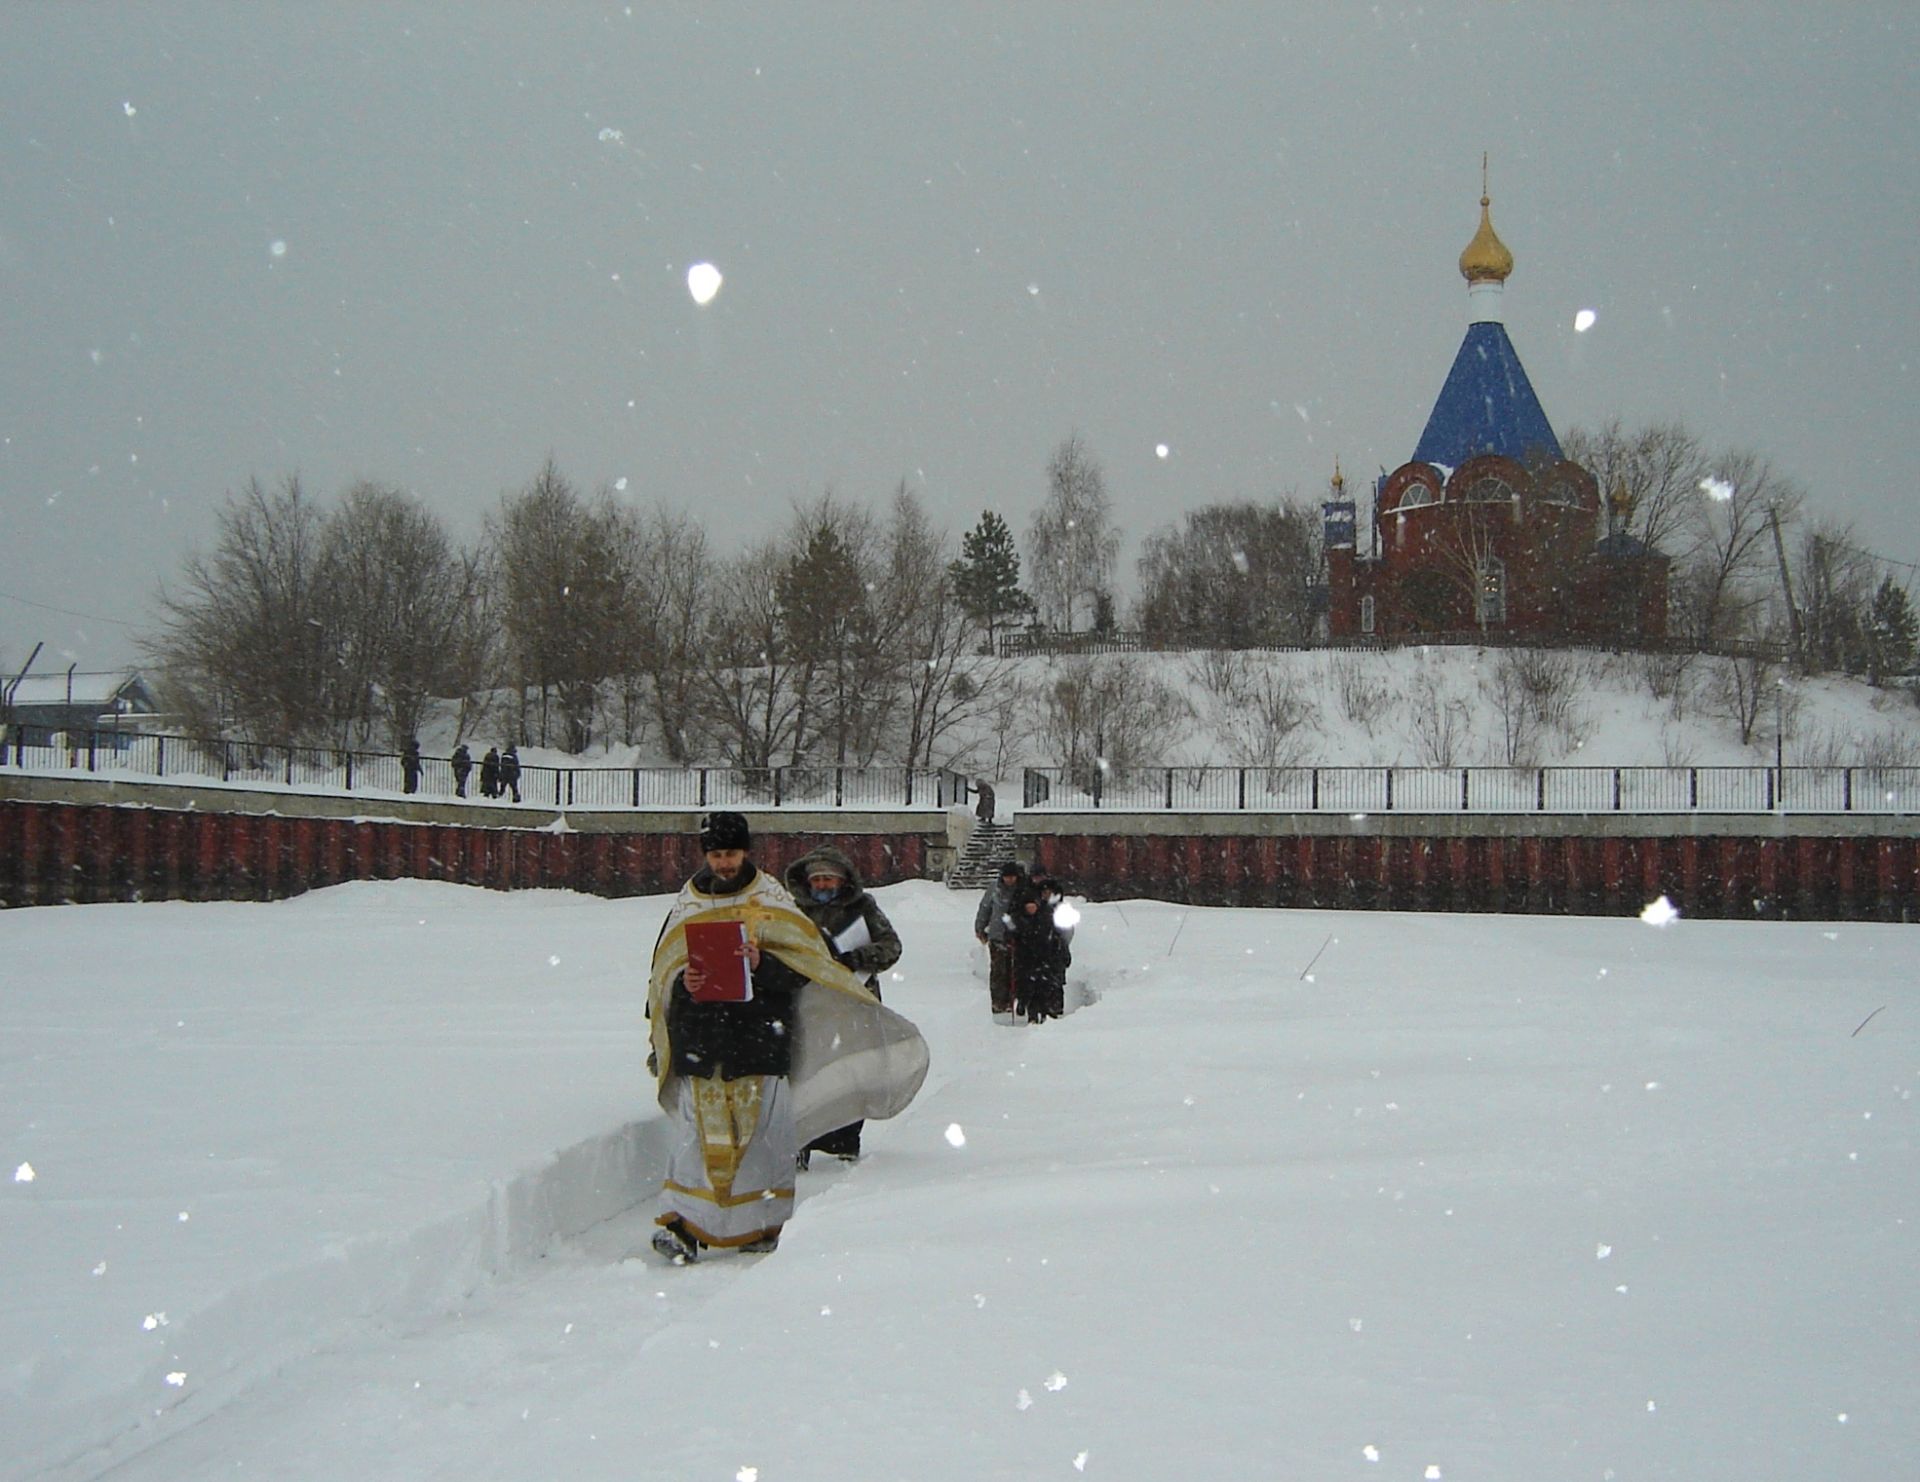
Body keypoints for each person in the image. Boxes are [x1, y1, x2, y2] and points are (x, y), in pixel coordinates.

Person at [647, 812, 928, 1264]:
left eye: (731, 854)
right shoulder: (688, 903)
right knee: (699, 1136)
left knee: (762, 1137)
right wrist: (688, 982)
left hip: (759, 1035)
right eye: (716, 855)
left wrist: (763, 965)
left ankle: (760, 1222)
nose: (723, 863)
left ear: (746, 852)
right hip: (702, 1036)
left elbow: (806, 969)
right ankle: (682, 1226)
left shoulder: (772, 900)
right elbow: (663, 972)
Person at [783, 844, 903, 1167]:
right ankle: (802, 1140)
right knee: (806, 1073)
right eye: (817, 879)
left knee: (851, 1073)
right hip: (809, 1004)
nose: (822, 885)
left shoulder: (862, 908)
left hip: (853, 1002)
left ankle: (844, 1141)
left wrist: (855, 958)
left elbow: (891, 946)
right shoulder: (793, 912)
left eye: (828, 879)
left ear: (842, 880)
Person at [1009, 877, 1072, 1024]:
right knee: (1029, 987)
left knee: (1046, 986)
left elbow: (1059, 934)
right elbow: (1013, 933)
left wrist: (1061, 949)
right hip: (1027, 959)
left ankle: (1049, 1011)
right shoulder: (1020, 918)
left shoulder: (1047, 915)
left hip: (1046, 957)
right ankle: (1030, 1011)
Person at [973, 860, 1025, 1024]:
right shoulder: (994, 889)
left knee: (1015, 970)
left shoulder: (1023, 889)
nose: (1010, 880)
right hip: (997, 936)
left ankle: (1012, 1000)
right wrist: (980, 927)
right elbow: (985, 908)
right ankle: (998, 1002)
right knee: (998, 971)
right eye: (1007, 877)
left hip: (1017, 936)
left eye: (1013, 877)